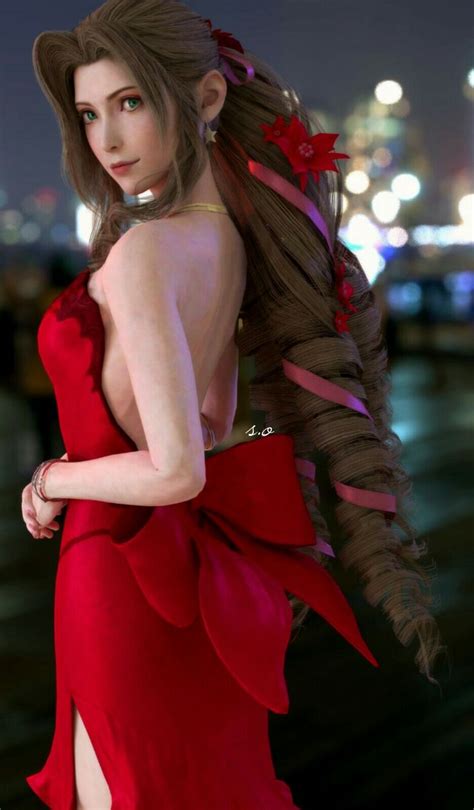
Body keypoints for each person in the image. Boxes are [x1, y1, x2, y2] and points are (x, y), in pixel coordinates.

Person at [22, 1, 446, 807]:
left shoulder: (148, 249)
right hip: (179, 572)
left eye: (130, 103)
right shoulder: (223, 241)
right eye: (88, 114)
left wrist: (52, 480)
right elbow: (213, 424)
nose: (106, 141)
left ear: (207, 99)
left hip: (117, 572)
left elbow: (179, 469)